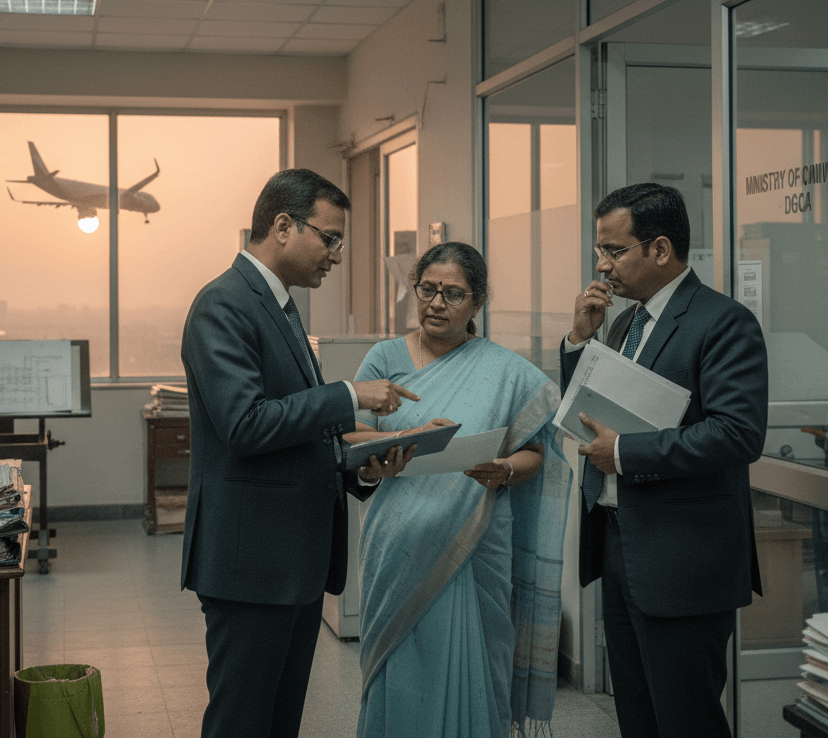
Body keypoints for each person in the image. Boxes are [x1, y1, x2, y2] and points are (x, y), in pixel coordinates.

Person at [180, 168, 419, 738]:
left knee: (278, 722)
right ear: (284, 226)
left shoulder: (280, 305)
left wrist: (364, 460)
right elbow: (245, 425)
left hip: (293, 561)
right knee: (242, 722)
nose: (336, 255)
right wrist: (347, 395)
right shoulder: (223, 304)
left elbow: (297, 432)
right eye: (329, 238)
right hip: (252, 565)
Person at [560, 183, 768, 738]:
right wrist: (579, 342)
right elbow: (589, 411)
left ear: (660, 249)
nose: (602, 266)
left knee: (685, 720)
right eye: (599, 250)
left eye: (614, 251)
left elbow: (737, 434)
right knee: (638, 714)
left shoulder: (722, 322)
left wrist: (624, 452)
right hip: (620, 543)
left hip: (684, 558)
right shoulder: (624, 324)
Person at [350, 241, 571, 738]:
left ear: (478, 302)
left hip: (476, 544)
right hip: (397, 542)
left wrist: (505, 469)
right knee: (399, 666)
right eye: (427, 289)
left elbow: (536, 452)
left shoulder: (506, 371)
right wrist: (401, 441)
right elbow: (350, 434)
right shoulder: (385, 357)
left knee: (477, 667)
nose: (436, 303)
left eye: (452, 294)